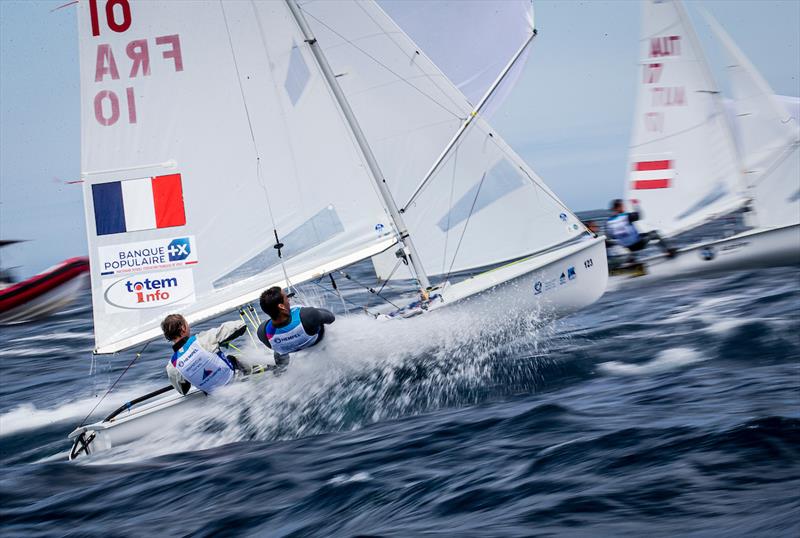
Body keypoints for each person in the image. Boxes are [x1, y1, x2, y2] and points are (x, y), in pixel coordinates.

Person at [162, 314, 248, 395]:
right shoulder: (202, 339)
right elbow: (240, 326)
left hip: (218, 399)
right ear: (183, 328)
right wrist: (221, 342)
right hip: (240, 383)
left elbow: (183, 390)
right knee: (233, 358)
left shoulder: (172, 367)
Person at [256, 286, 335, 366]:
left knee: (277, 346)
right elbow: (331, 318)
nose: (289, 299)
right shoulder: (308, 315)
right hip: (315, 342)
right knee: (316, 319)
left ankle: (280, 370)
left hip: (288, 349)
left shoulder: (262, 332)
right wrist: (315, 312)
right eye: (286, 297)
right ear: (281, 306)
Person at [605, 199, 676, 257]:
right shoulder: (626, 216)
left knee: (620, 242)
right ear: (619, 208)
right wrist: (636, 204)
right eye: (623, 206)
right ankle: (669, 251)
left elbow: (611, 236)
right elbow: (640, 215)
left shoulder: (608, 223)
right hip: (638, 244)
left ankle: (631, 260)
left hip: (626, 247)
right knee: (654, 234)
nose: (624, 207)